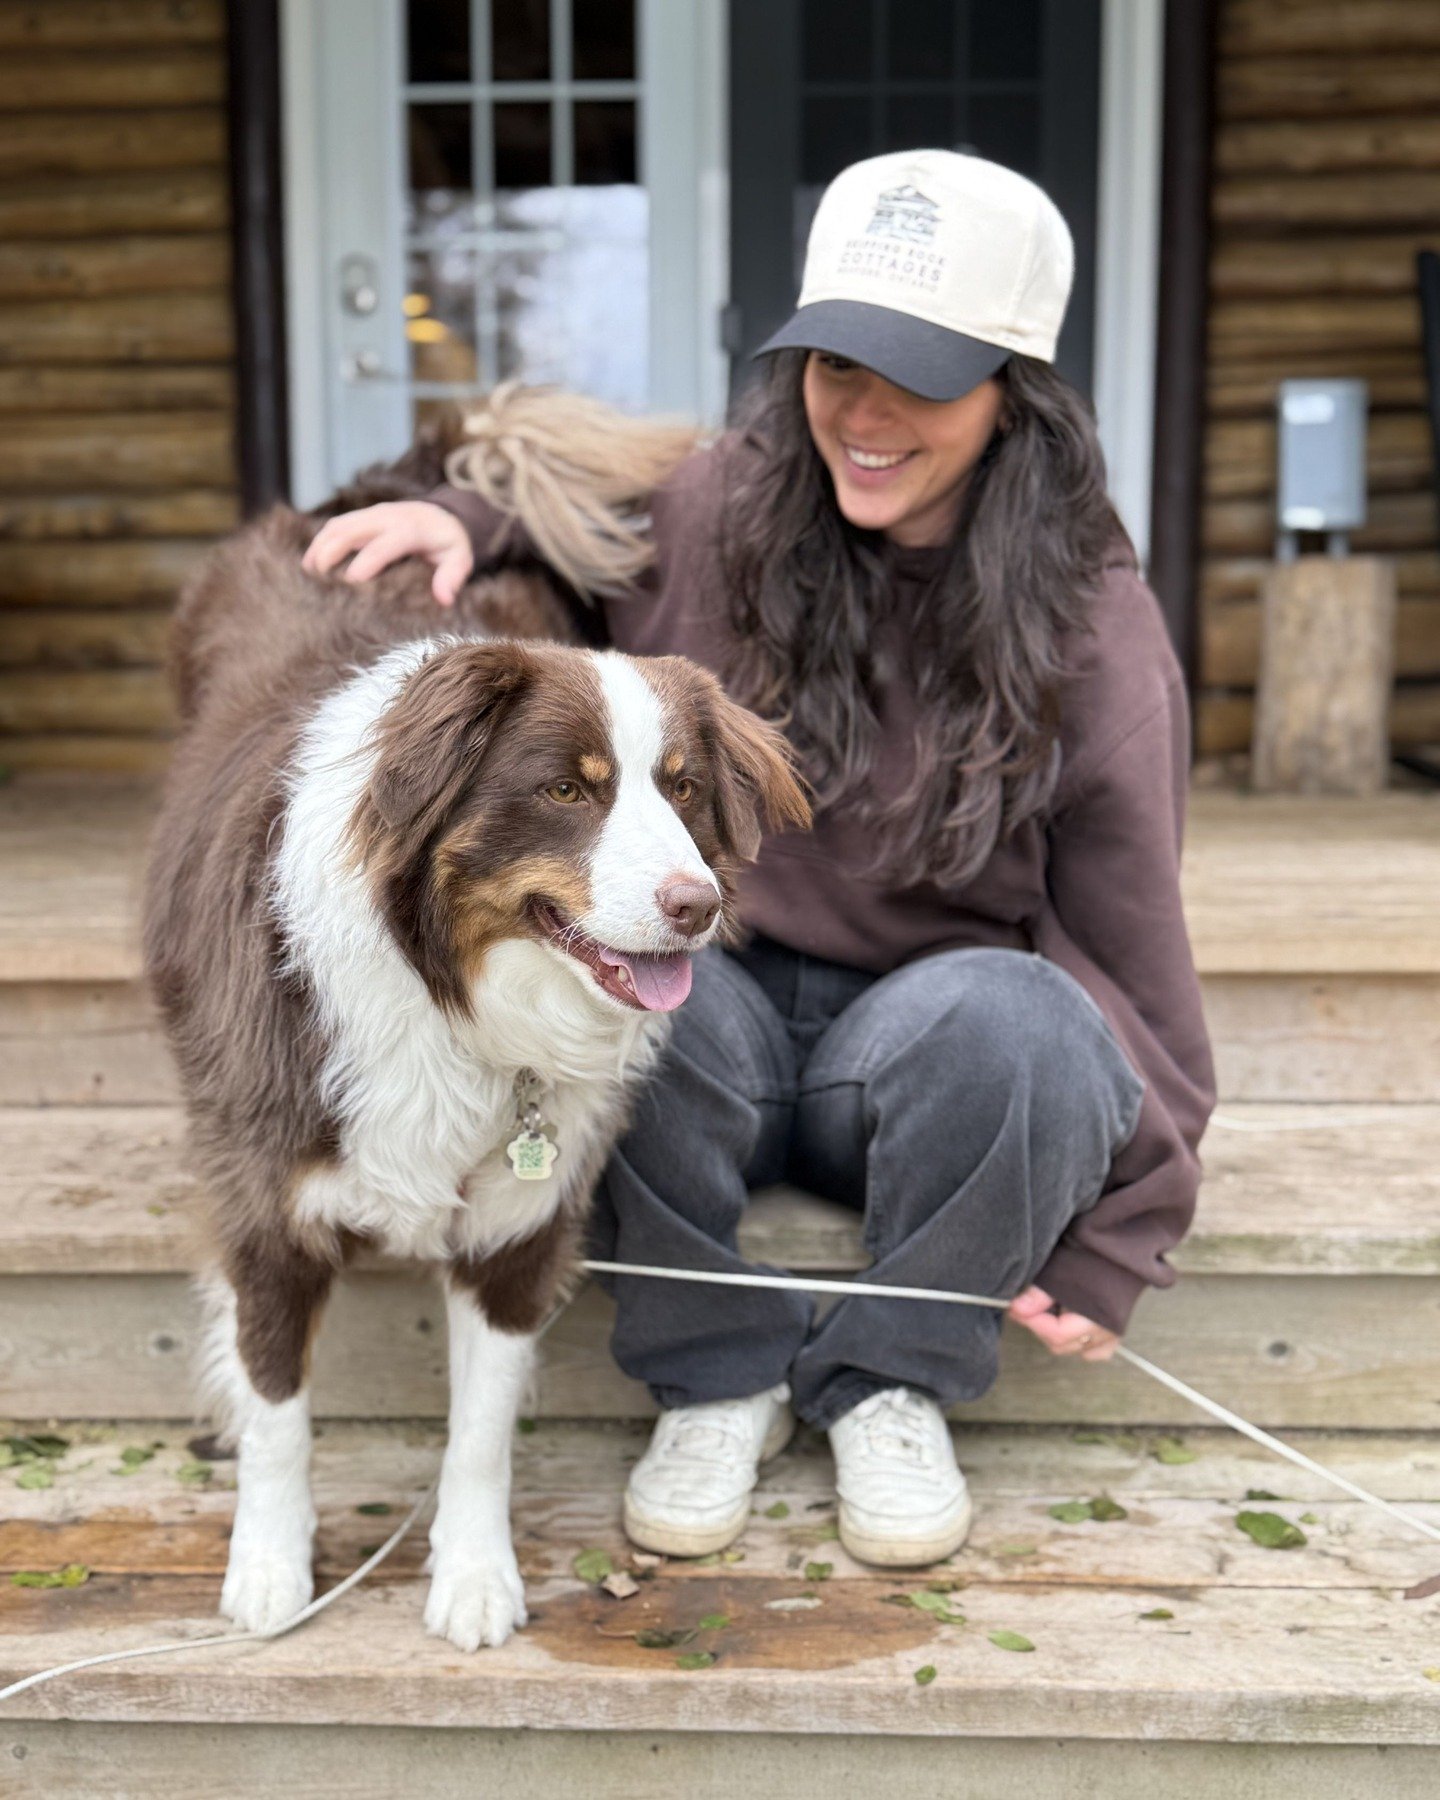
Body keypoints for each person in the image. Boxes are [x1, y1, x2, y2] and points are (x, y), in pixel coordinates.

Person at [304, 150, 1216, 1569]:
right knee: (604, 974)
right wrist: (465, 522)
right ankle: (715, 1374)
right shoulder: (725, 505)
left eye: (919, 374)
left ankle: (893, 1379)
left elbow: (1136, 960)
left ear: (1013, 391)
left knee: (1029, 1020)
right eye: (836, 359)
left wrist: (1123, 1236)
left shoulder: (1098, 635)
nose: (863, 410)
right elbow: (569, 537)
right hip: (704, 1013)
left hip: (910, 1060)